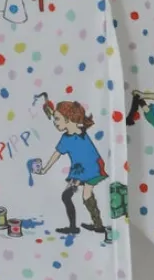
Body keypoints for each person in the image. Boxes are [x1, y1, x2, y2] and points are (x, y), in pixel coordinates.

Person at [37, 98, 108, 236]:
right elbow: (56, 154)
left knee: (85, 195)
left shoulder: (80, 132)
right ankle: (79, 226)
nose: (55, 123)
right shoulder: (66, 138)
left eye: (57, 119)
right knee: (67, 196)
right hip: (79, 171)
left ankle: (97, 226)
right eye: (55, 119)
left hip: (92, 168)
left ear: (68, 118)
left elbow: (76, 128)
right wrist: (44, 169)